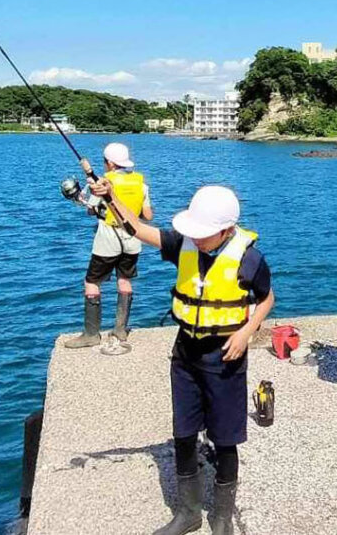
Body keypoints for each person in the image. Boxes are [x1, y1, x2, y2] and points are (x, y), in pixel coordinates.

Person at [90, 179, 275, 535]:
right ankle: (188, 512)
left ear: (226, 230)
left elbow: (267, 298)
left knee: (225, 439)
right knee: (184, 434)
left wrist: (246, 331)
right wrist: (111, 196)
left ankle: (221, 518)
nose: (198, 238)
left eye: (205, 233)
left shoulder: (250, 259)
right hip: (185, 354)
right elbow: (137, 228)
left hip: (225, 357)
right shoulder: (182, 244)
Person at [64, 143, 153, 349]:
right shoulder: (141, 183)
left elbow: (90, 209)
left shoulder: (103, 183)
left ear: (110, 163)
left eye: (105, 161)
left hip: (108, 240)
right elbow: (148, 215)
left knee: (92, 282)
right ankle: (120, 330)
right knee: (124, 281)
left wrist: (82, 200)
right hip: (133, 240)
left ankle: (91, 334)